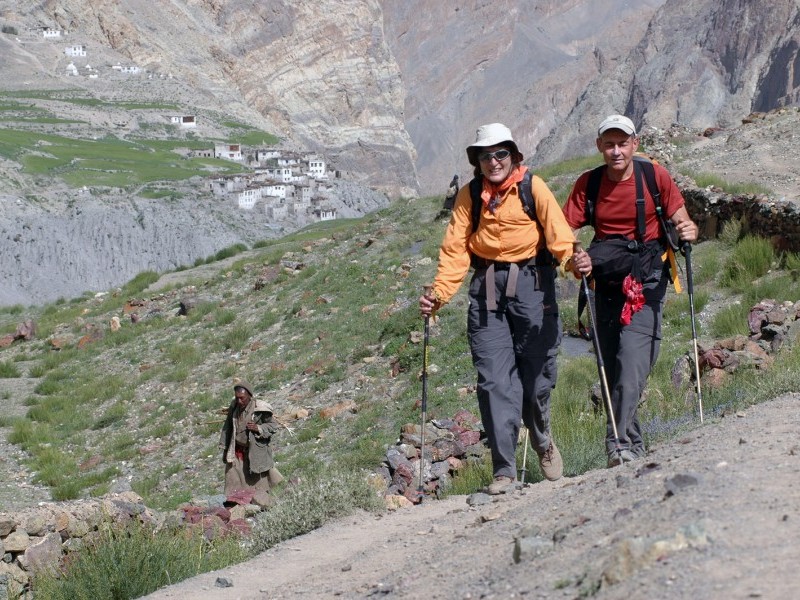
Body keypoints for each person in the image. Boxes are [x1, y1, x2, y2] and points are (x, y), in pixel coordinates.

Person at [419, 123, 591, 494]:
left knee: (537, 377)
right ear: (477, 161)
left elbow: (560, 236)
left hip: (533, 284)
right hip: (486, 291)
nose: (493, 161)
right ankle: (504, 470)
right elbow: (454, 251)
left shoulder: (533, 187)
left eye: (500, 154)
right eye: (485, 155)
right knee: (495, 380)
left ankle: (542, 438)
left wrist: (574, 263)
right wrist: (439, 295)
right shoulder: (469, 196)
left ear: (513, 156)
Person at [562, 114, 699, 467]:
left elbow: (683, 219)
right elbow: (561, 235)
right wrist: (573, 261)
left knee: (634, 362)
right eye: (609, 144)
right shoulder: (588, 185)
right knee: (612, 367)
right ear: (599, 147)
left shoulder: (654, 176)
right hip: (605, 285)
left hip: (648, 281)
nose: (616, 151)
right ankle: (631, 446)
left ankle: (618, 444)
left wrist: (688, 231)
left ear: (635, 144)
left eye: (622, 143)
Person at [219, 380, 283, 507]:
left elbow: (272, 426)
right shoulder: (234, 408)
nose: (239, 401)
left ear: (249, 395)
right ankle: (235, 503)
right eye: (237, 398)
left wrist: (258, 428)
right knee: (233, 476)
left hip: (255, 452)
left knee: (257, 481)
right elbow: (228, 427)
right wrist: (225, 446)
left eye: (242, 398)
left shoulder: (260, 409)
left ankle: (264, 504)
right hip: (237, 451)